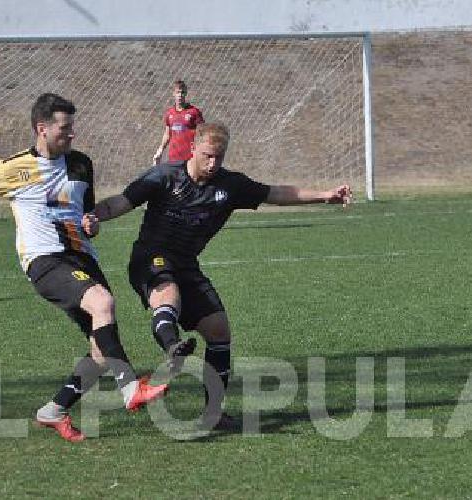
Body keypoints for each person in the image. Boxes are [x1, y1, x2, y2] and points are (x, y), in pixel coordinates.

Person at [0, 93, 169, 443]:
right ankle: (130, 389)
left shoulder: (81, 163)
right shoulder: (15, 168)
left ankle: (53, 411)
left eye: (72, 127)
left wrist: (91, 223)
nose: (72, 135)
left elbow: (84, 212)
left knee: (101, 349)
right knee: (102, 304)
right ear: (42, 129)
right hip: (45, 260)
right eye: (64, 128)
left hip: (83, 259)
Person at [93, 122, 352, 431]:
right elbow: (122, 201)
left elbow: (276, 193)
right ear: (192, 149)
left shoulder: (230, 185)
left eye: (219, 157)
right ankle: (173, 346)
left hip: (186, 264)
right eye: (207, 156)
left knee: (218, 330)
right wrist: (96, 215)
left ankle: (212, 413)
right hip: (150, 259)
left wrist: (325, 195)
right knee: (169, 294)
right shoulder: (164, 177)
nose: (213, 164)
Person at [152, 80, 205, 165]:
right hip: (173, 158)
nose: (180, 95)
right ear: (173, 93)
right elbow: (167, 134)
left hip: (190, 158)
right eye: (178, 92)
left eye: (182, 92)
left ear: (186, 93)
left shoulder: (194, 112)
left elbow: (202, 133)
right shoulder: (169, 113)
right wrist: (160, 149)